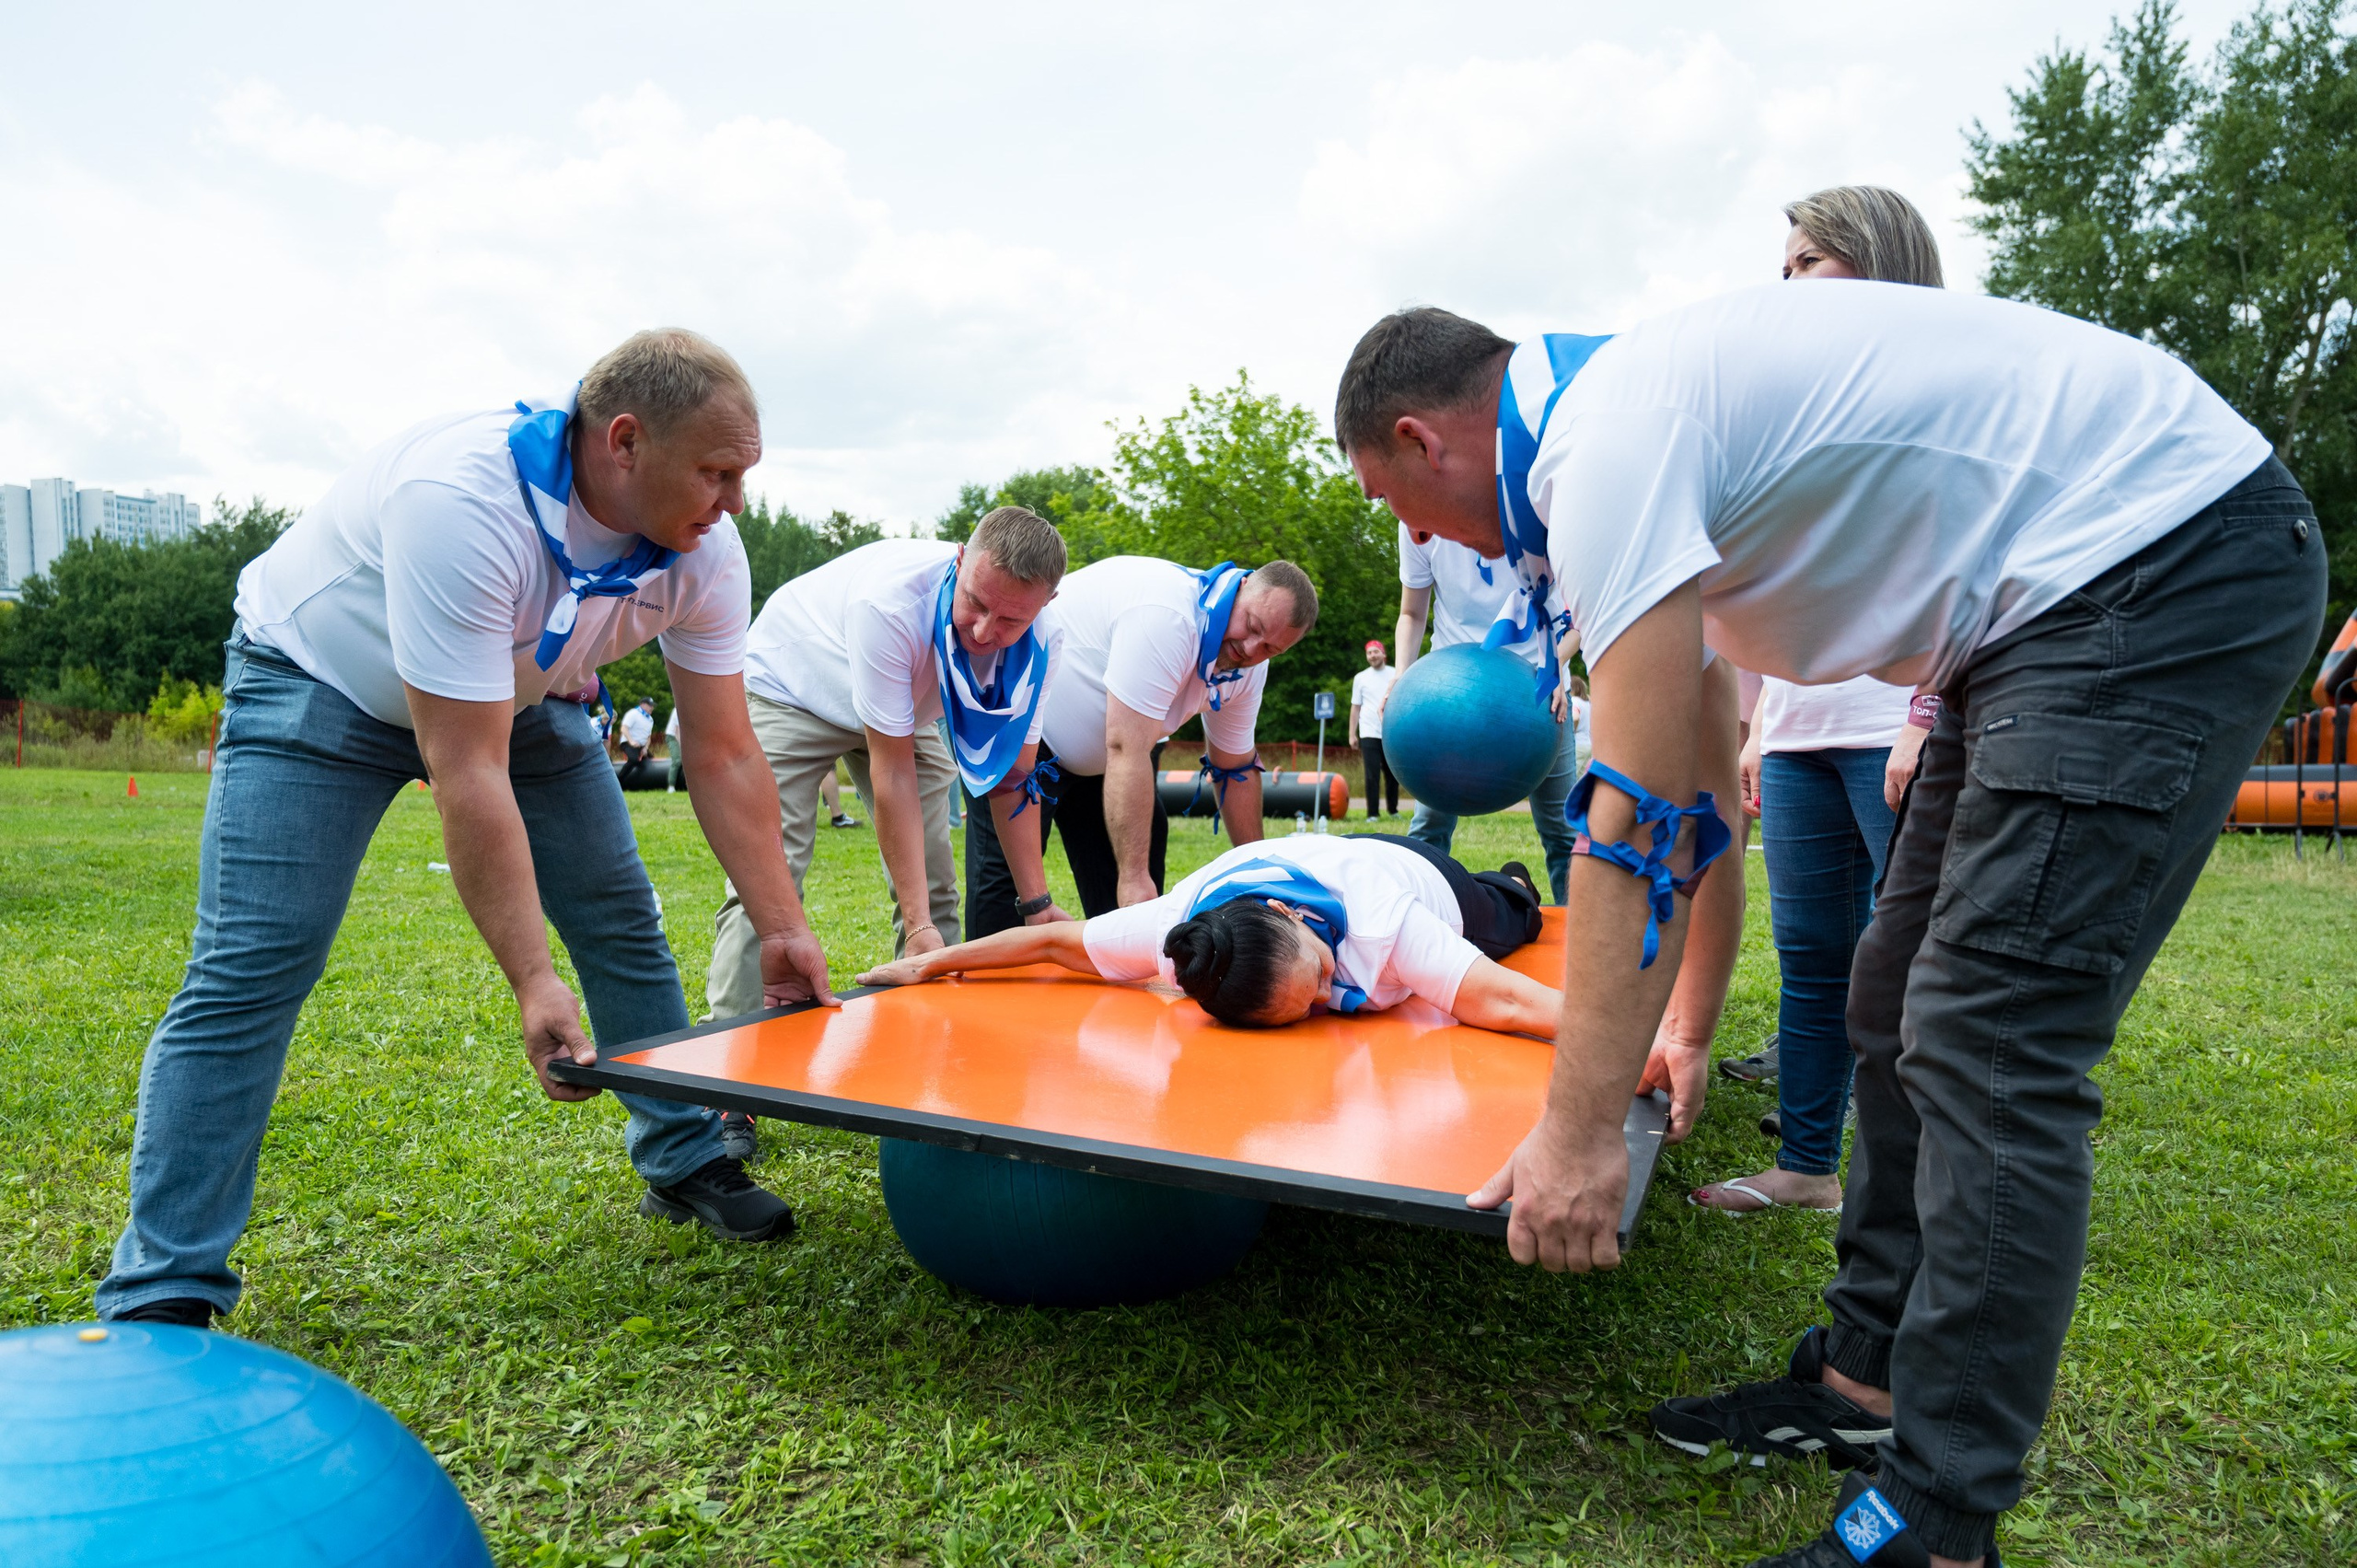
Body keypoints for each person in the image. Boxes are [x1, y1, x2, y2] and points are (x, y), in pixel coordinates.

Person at [1334, 280, 2318, 1568]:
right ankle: (1868, 1384)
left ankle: (1937, 1526)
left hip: (2152, 562)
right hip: (2039, 614)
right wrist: (1683, 1031)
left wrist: (1576, 1133)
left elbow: (1624, 823)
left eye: (1391, 501)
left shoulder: (1600, 449)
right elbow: (1695, 805)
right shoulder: (1613, 438)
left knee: (1986, 1046)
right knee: (1892, 1001)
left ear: (1421, 437)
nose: (1418, 536)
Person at [97, 330, 841, 1330]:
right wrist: (532, 978)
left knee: (618, 913)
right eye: (718, 472)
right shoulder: (462, 499)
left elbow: (723, 751)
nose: (736, 502)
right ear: (624, 442)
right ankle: (165, 1282)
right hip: (319, 685)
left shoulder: (704, 550)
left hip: (519, 697)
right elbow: (466, 766)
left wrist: (781, 919)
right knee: (254, 961)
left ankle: (684, 1150)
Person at [1689, 186, 1939, 1218]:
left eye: (1810, 261)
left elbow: (1957, 570)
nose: (1787, 281)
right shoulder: (1795, 414)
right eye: (1783, 265)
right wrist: (1752, 729)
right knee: (1810, 962)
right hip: (1793, 740)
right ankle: (1806, 1165)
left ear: (1878, 263)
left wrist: (1925, 717)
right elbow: (1758, 583)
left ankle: (1924, 1175)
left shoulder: (1930, 399)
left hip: (1891, 728)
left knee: (1910, 970)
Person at [708, 507, 1070, 1023]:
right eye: (975, 602)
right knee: (769, 874)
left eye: (1013, 619)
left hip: (905, 705)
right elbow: (892, 771)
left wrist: (1037, 908)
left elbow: (1015, 780)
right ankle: (730, 1067)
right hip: (796, 684)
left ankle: (925, 1038)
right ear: (961, 560)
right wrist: (916, 921)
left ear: (1047, 604)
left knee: (934, 874)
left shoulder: (1046, 640)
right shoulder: (891, 602)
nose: (986, 632)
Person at [865, 833, 1551, 1033]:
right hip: (1322, 855)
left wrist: (1630, 1051)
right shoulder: (1183, 937)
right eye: (1303, 1010)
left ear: (1291, 918)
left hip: (1415, 870)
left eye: (1315, 979)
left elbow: (1509, 1001)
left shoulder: (1384, 922)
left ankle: (1512, 882)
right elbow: (1052, 941)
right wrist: (930, 964)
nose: (1323, 1003)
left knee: (1516, 916)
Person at [962, 556, 1318, 939]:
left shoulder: (1247, 668)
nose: (1250, 649)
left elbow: (1235, 769)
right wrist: (1132, 880)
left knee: (1134, 906)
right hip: (1025, 728)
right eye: (1252, 626)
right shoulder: (1170, 616)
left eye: (1270, 648)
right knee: (1008, 889)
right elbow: (1125, 748)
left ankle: (1120, 981)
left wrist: (1259, 872)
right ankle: (984, 987)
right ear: (1243, 586)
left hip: (1106, 757)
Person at [1395, 527, 1581, 901]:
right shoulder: (1417, 519)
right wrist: (1402, 677)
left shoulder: (1533, 504)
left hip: (1538, 690)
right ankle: (1412, 921)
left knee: (1563, 831)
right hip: (1449, 694)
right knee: (1429, 826)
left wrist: (1553, 665)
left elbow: (1582, 613)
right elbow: (1411, 613)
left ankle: (1580, 943)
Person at [1348, 639, 1399, 818]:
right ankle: (1373, 814)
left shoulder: (1395, 674)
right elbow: (1355, 707)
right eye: (1369, 653)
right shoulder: (1360, 678)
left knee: (1393, 773)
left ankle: (1393, 810)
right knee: (1371, 775)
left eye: (1375, 652)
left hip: (1390, 731)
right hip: (1368, 732)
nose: (1372, 655)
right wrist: (1352, 734)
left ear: (1383, 654)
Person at [617, 696, 656, 786]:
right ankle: (619, 782)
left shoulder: (650, 719)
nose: (652, 708)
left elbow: (648, 737)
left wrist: (645, 748)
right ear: (642, 705)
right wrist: (631, 741)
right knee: (633, 759)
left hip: (641, 746)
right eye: (650, 706)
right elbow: (624, 728)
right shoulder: (633, 713)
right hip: (628, 743)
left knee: (650, 760)